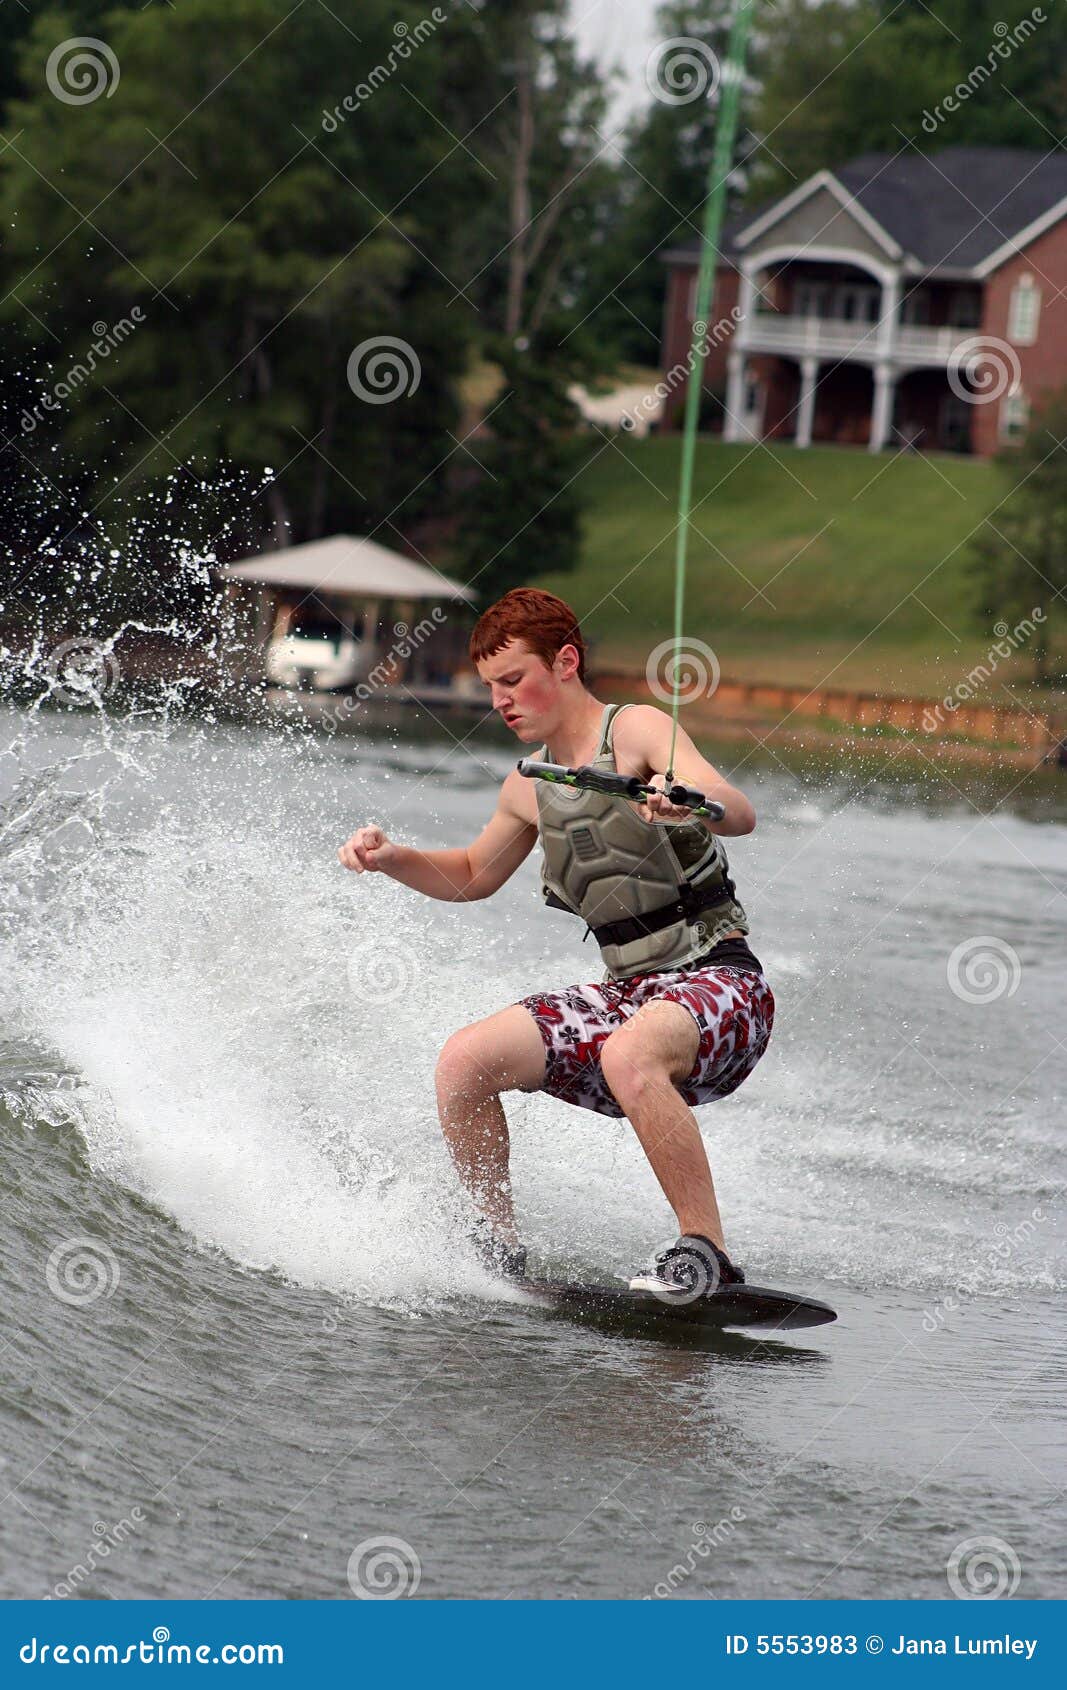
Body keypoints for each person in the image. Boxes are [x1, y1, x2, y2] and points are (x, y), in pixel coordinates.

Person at [337, 589, 774, 1301]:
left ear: (564, 662)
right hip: (630, 996)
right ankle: (497, 1249)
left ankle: (708, 1255)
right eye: (490, 688)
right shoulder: (528, 784)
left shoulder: (634, 730)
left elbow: (740, 812)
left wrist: (682, 798)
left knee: (627, 1050)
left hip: (721, 988)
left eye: (513, 680)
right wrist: (394, 858)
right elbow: (473, 875)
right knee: (463, 1062)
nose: (501, 701)